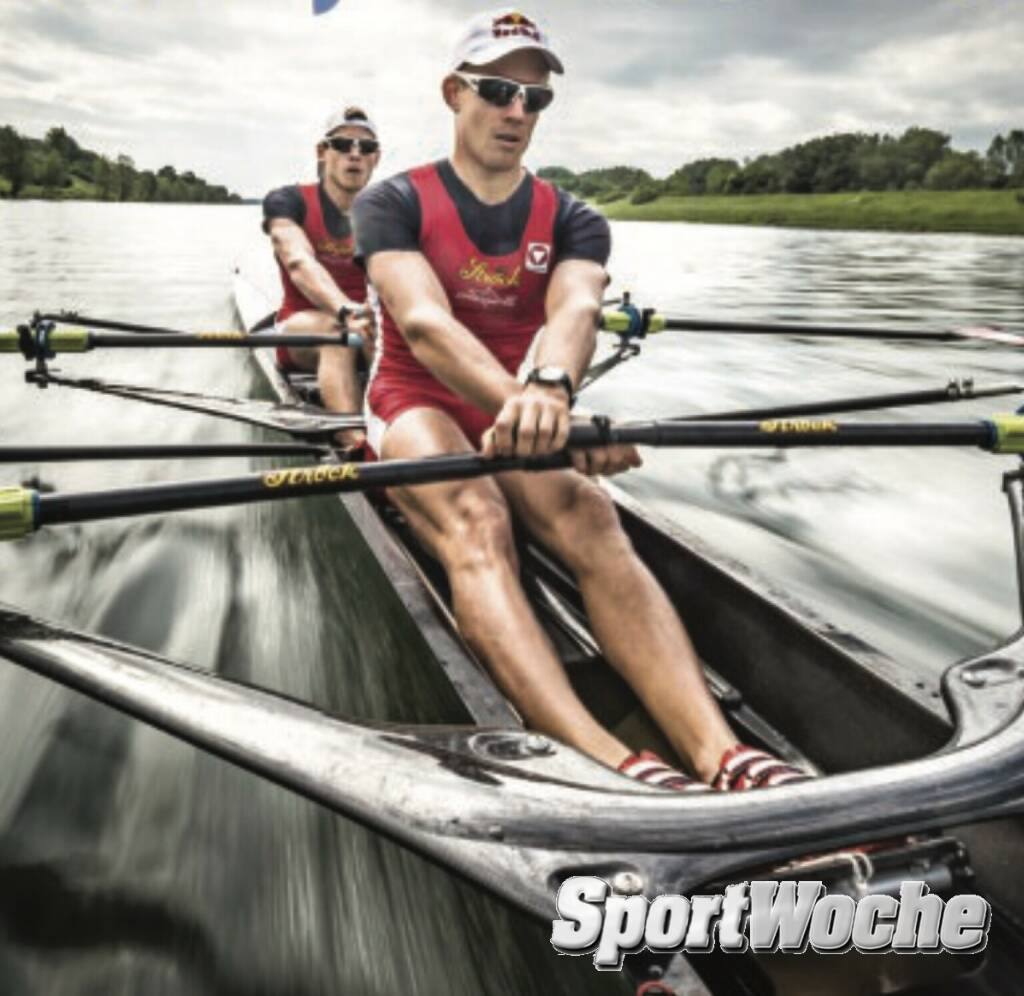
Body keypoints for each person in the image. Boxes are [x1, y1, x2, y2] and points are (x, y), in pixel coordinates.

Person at [353, 10, 809, 792]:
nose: (517, 113)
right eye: (499, 91)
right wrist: (530, 408)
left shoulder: (573, 217)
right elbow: (425, 325)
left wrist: (554, 389)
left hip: (516, 406)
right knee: (478, 518)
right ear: (454, 94)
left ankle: (721, 754)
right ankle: (603, 760)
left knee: (594, 515)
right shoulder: (391, 202)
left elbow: (575, 312)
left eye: (536, 99)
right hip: (411, 400)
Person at [262, 106, 381, 448]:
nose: (355, 154)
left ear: (376, 158)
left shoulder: (388, 210)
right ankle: (355, 443)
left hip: (369, 328)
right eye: (343, 144)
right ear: (322, 152)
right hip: (304, 331)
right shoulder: (288, 200)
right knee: (337, 332)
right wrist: (347, 310)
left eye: (366, 148)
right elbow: (298, 261)